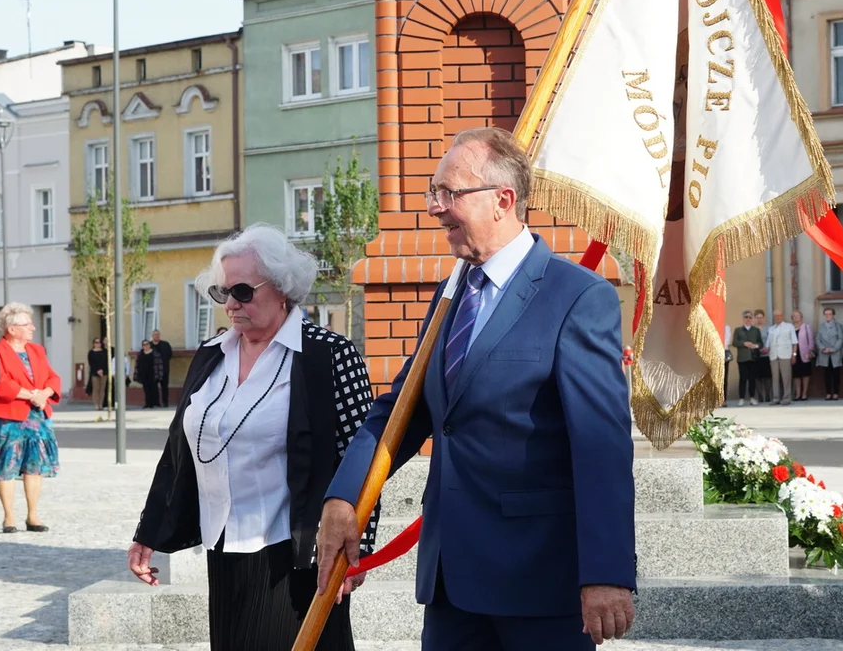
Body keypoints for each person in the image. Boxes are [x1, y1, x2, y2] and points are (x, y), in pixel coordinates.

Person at [317, 127, 637, 650]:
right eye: (432, 193)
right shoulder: (451, 296)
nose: (435, 209)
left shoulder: (577, 296)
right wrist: (342, 499)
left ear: (502, 201)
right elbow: (401, 410)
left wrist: (606, 571)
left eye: (449, 194)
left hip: (540, 582)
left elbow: (601, 447)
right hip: (452, 583)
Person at [128, 224, 377, 651]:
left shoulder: (329, 354)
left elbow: (362, 455)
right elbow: (179, 450)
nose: (232, 305)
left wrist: (358, 549)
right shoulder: (212, 354)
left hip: (296, 551)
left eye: (243, 291)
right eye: (223, 293)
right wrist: (148, 530)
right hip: (223, 545)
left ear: (281, 288)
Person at [0, 303, 60, 533]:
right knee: (7, 466)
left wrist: (45, 394)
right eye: (27, 324)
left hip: (38, 417)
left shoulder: (37, 350)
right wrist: (32, 395)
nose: (33, 328)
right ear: (12, 328)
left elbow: (52, 377)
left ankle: (33, 516)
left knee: (34, 466)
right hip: (11, 418)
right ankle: (9, 518)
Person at [765, 310, 798, 405]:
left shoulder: (789, 327)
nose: (777, 317)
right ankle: (776, 398)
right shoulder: (771, 329)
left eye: (779, 316)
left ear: (783, 316)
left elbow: (794, 342)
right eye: (775, 316)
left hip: (785, 355)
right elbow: (768, 343)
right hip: (774, 355)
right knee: (775, 378)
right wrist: (763, 349)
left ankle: (787, 398)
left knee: (786, 378)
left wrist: (794, 355)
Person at [815, 307, 843, 400]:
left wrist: (833, 349)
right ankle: (828, 393)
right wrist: (823, 348)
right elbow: (817, 339)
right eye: (826, 314)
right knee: (826, 374)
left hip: (835, 353)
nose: (828, 316)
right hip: (824, 354)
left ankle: (836, 393)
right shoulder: (822, 326)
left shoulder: (838, 325)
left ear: (833, 315)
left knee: (836, 374)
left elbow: (841, 338)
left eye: (830, 314)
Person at [733, 311, 761, 407]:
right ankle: (741, 398)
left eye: (750, 317)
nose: (748, 319)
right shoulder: (738, 330)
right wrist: (743, 344)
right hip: (742, 358)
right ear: (743, 318)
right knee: (743, 379)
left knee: (752, 379)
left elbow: (761, 343)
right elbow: (734, 343)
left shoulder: (756, 330)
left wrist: (755, 346)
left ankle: (752, 397)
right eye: (746, 317)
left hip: (753, 358)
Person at [791, 310, 815, 402]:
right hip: (794, 354)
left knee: (805, 374)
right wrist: (792, 354)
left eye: (798, 315)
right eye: (794, 316)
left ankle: (804, 393)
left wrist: (810, 351)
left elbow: (811, 340)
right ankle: (798, 394)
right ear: (792, 318)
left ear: (801, 317)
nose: (796, 317)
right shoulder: (791, 328)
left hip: (805, 353)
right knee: (796, 375)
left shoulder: (806, 326)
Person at [133, 341, 162, 409]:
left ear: (149, 345)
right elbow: (137, 365)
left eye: (147, 344)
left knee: (154, 389)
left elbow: (159, 364)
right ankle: (148, 403)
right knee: (146, 390)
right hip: (144, 375)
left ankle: (155, 403)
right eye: (144, 345)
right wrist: (137, 374)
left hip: (153, 374)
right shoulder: (140, 354)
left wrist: (159, 374)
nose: (145, 346)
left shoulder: (155, 353)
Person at [754, 309, 772, 402]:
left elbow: (770, 339)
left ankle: (768, 395)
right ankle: (760, 396)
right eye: (757, 318)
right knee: (757, 377)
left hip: (766, 355)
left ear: (763, 318)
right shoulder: (753, 329)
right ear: (755, 318)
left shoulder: (768, 328)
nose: (759, 320)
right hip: (756, 356)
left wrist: (767, 348)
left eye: (761, 317)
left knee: (767, 376)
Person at [151, 330, 173, 407]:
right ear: (152, 336)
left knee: (164, 387)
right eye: (154, 335)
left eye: (157, 335)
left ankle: (165, 402)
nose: (156, 336)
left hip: (164, 369)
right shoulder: (149, 345)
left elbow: (170, 355)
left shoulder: (165, 344)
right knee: (154, 388)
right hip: (153, 371)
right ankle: (156, 403)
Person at [86, 338, 109, 412]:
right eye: (96, 342)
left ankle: (101, 404)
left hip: (104, 372)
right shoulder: (91, 353)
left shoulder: (105, 352)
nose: (98, 344)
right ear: (93, 344)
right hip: (94, 373)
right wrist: (97, 371)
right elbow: (91, 363)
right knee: (96, 389)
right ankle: (96, 404)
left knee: (102, 389)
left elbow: (106, 362)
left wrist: (102, 370)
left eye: (99, 342)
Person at [722, 323, 732, 408]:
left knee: (724, 378)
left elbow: (727, 341)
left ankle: (723, 399)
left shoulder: (726, 327)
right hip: (711, 352)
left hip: (723, 352)